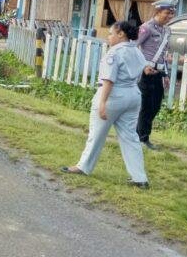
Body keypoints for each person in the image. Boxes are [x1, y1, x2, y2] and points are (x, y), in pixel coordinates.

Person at [62, 21, 149, 188]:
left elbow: (109, 80)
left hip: (114, 95)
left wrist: (102, 102)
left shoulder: (113, 53)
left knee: (97, 135)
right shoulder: (136, 51)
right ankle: (140, 178)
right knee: (130, 137)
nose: (108, 37)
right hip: (133, 95)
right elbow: (143, 68)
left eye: (111, 33)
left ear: (121, 34)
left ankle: (83, 167)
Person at [136, 0, 177, 150]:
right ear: (158, 12)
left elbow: (164, 54)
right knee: (146, 106)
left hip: (159, 72)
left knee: (156, 106)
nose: (170, 17)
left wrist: (166, 75)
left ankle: (138, 133)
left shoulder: (167, 30)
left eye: (172, 14)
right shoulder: (147, 27)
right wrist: (143, 66)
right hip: (145, 72)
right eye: (167, 13)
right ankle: (142, 138)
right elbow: (134, 47)